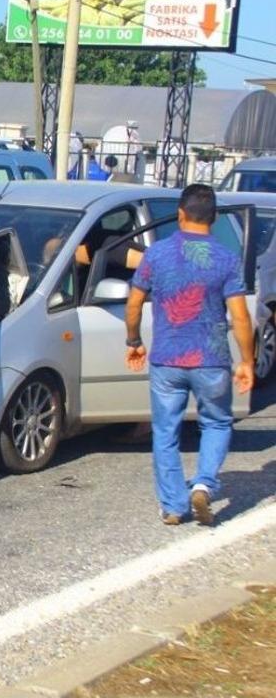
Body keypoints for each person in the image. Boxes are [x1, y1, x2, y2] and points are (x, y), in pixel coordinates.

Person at [124, 184, 254, 526]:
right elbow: (241, 316)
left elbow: (134, 303)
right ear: (214, 217)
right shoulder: (226, 258)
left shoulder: (156, 254)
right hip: (211, 359)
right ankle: (203, 483)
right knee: (217, 422)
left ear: (180, 214)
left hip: (167, 359)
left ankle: (173, 506)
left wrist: (134, 340)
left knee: (165, 431)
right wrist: (247, 361)